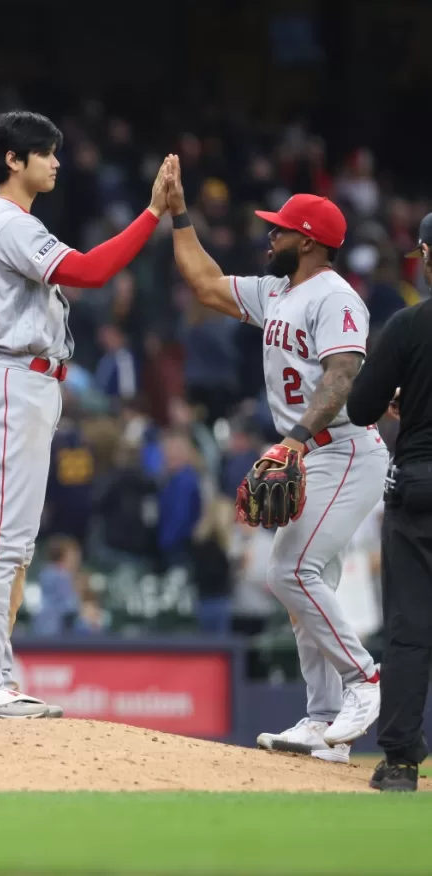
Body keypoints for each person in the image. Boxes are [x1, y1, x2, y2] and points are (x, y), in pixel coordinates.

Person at [163, 155, 387, 763]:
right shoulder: (279, 292)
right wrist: (178, 212)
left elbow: (342, 375)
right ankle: (322, 722)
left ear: (309, 242)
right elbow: (206, 283)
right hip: (310, 453)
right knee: (309, 590)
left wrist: (293, 441)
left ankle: (365, 680)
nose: (270, 234)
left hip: (342, 451)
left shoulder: (336, 297)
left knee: (289, 573)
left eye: (282, 229)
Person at [0, 111, 167, 718]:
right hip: (11, 381)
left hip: (24, 382)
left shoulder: (4, 222)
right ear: (13, 160)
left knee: (12, 546)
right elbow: (92, 271)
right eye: (44, 153)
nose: (55, 162)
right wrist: (150, 213)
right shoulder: (7, 222)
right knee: (1, 544)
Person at [345, 211, 432, 792]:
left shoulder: (407, 326)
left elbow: (358, 407)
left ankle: (400, 763)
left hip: (421, 487)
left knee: (410, 627)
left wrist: (404, 396)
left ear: (424, 255)